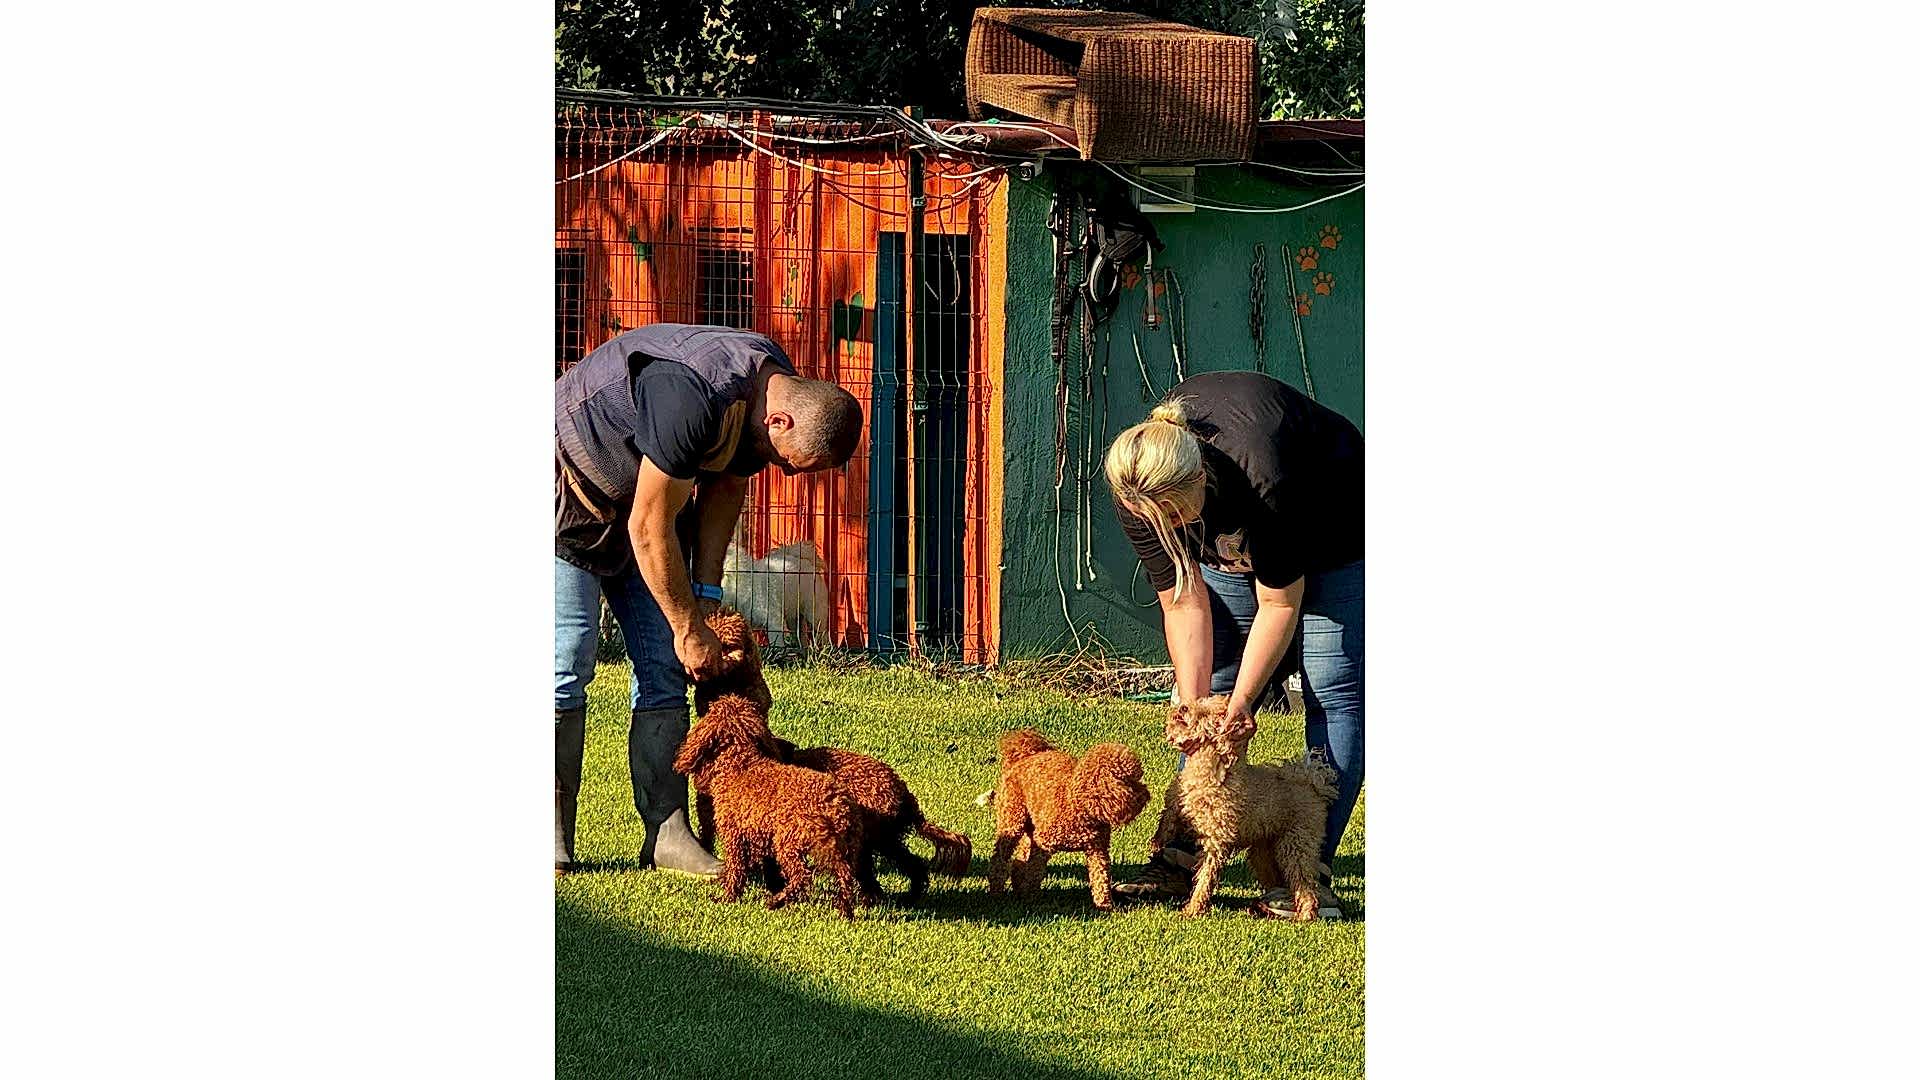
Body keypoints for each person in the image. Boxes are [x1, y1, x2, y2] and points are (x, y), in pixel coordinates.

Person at [554, 324, 863, 876]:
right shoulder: (691, 395)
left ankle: (668, 833)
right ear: (781, 421)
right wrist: (687, 627)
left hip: (647, 508)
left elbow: (726, 486)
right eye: (791, 462)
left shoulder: (769, 389)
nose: (785, 471)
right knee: (567, 659)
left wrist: (705, 597)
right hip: (570, 491)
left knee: (665, 668)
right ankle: (549, 832)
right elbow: (648, 528)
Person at [1103, 370, 1363, 919]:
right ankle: (1184, 854)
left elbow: (1280, 605)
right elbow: (1183, 601)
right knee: (1214, 682)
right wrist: (1194, 702)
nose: (1165, 526)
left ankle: (1308, 874)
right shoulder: (1139, 490)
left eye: (1174, 515)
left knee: (1331, 686)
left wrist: (1243, 702)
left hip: (1336, 523)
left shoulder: (1263, 476)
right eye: (1153, 518)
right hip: (1240, 531)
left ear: (1199, 477)